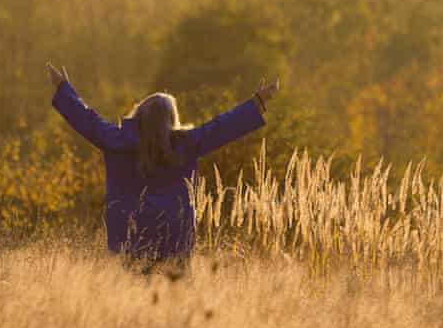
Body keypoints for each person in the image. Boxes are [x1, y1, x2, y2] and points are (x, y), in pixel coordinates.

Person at [46, 63, 278, 273]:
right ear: (171, 118)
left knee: (133, 298)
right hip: (174, 236)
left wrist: (64, 88)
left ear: (138, 116)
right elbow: (221, 126)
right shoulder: (186, 143)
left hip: (130, 235)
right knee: (172, 299)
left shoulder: (116, 140)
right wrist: (257, 102)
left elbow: (87, 120)